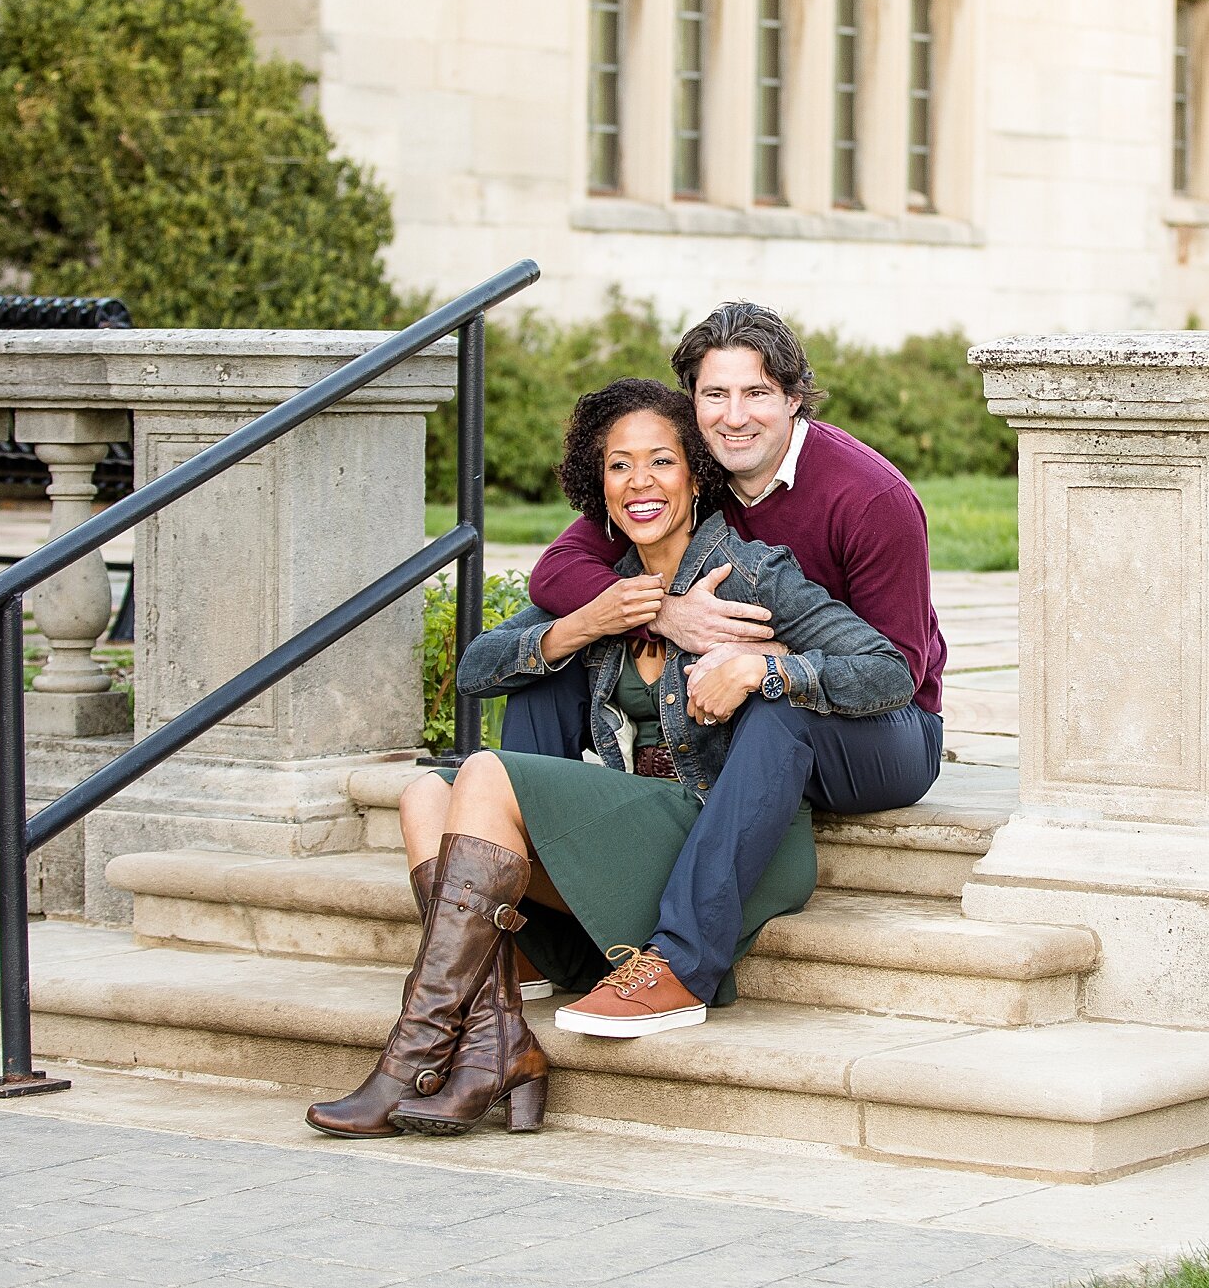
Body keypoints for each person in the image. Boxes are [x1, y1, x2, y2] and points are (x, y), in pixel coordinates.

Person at [305, 378, 915, 1140]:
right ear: (598, 487)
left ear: (696, 472)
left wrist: (768, 668)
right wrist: (584, 624)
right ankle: (495, 1044)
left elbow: (889, 671)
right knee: (424, 796)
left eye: (661, 462)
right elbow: (479, 666)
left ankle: (413, 1057)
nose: (640, 483)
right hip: (634, 832)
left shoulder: (756, 574)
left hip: (717, 831)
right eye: (619, 467)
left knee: (485, 774)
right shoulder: (613, 586)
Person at [518, 302, 948, 830]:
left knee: (776, 711)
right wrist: (663, 614)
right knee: (543, 677)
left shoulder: (870, 499)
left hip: (886, 726)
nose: (735, 417)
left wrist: (770, 660)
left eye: (757, 393)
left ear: (794, 399)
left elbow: (898, 670)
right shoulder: (697, 471)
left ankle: (693, 905)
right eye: (716, 395)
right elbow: (558, 569)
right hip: (732, 713)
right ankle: (536, 850)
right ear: (693, 402)